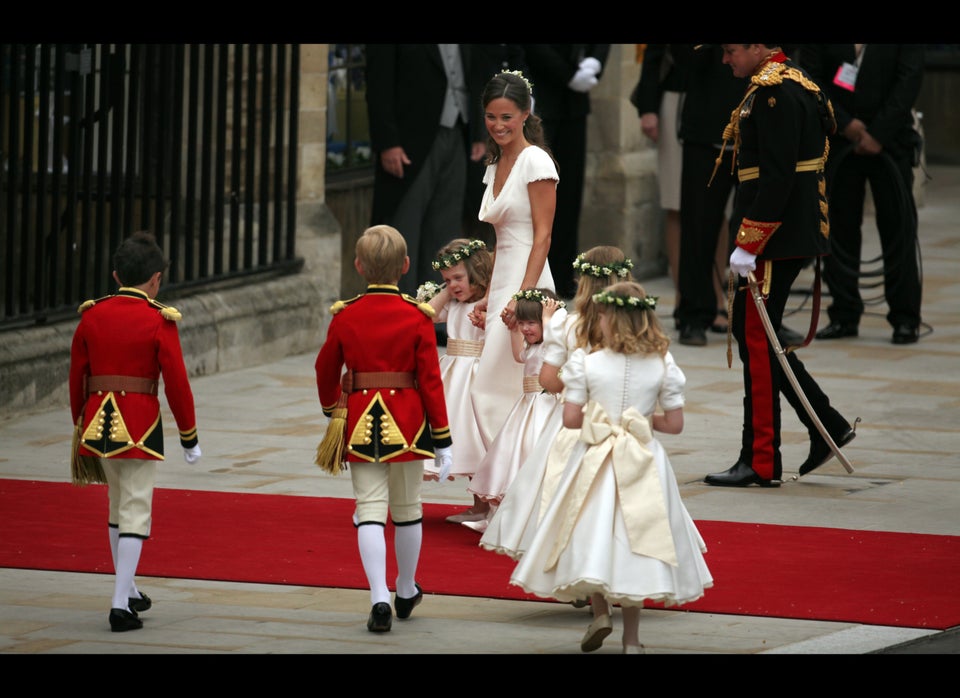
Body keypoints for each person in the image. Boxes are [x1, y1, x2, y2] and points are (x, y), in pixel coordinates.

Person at [509, 280, 713, 654]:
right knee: (637, 540)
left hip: (596, 455)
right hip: (643, 458)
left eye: (600, 315)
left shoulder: (588, 361)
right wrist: (642, 421)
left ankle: (599, 612)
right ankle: (632, 640)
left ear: (610, 318)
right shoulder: (662, 361)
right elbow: (675, 424)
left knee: (590, 531)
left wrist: (603, 420)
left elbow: (571, 420)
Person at [703, 44, 857, 488]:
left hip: (776, 235)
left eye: (731, 50)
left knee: (754, 336)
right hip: (783, 232)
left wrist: (751, 241)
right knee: (756, 336)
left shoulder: (776, 92)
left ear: (757, 46)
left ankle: (761, 458)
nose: (725, 58)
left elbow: (777, 175)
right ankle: (825, 424)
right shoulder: (784, 83)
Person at [314, 224, 453, 633]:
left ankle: (378, 597)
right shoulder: (417, 316)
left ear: (358, 266)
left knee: (369, 510)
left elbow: (325, 368)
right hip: (407, 425)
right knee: (408, 511)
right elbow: (430, 380)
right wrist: (442, 439)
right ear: (405, 266)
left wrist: (331, 411)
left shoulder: (346, 314)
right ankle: (405, 588)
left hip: (358, 421)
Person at [68, 231, 201, 633]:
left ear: (115, 274)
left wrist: (81, 423)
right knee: (136, 512)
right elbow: (177, 384)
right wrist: (189, 436)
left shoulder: (92, 315)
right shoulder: (159, 320)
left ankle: (128, 590)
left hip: (98, 425)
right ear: (156, 279)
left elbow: (77, 377)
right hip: (139, 427)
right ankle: (119, 604)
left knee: (117, 506)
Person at [480, 246, 634, 563]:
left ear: (584, 283)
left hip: (576, 421)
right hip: (624, 422)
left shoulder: (569, 326)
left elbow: (549, 382)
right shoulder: (638, 327)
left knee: (566, 492)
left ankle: (573, 560)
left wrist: (574, 375)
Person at [801, 44, 925, 345]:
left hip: (891, 141)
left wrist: (878, 133)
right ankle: (844, 313)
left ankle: (905, 317)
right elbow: (812, 78)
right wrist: (846, 124)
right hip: (841, 140)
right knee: (839, 229)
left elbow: (909, 79)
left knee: (898, 228)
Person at [470, 70, 558, 449]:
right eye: (491, 116)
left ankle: (513, 491)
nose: (498, 125)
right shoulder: (495, 163)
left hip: (528, 281)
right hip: (503, 279)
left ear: (525, 114)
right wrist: (490, 295)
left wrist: (523, 301)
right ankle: (497, 493)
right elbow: (500, 239)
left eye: (507, 117)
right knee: (496, 389)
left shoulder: (536, 161)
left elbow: (543, 236)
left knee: (494, 386)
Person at [365, 44, 486, 298]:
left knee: (445, 228)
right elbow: (378, 83)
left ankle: (435, 310)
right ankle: (399, 309)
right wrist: (387, 142)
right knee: (404, 228)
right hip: (410, 140)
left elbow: (473, 73)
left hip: (457, 131)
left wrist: (478, 132)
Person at [632, 44, 732, 335]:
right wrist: (648, 108)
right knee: (680, 202)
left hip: (726, 101)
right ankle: (684, 293)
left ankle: (715, 294)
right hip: (681, 99)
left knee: (721, 209)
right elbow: (655, 55)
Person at [463, 288, 563, 533]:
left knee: (534, 457)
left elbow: (556, 344)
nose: (526, 328)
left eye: (533, 323)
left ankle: (532, 520)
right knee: (512, 458)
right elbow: (518, 355)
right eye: (523, 323)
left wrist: (552, 321)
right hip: (526, 407)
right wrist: (512, 328)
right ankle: (501, 519)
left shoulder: (553, 345)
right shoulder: (531, 347)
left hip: (546, 408)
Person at [672, 44, 748, 347]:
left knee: (758, 227)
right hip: (705, 134)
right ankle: (693, 314)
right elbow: (686, 59)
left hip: (753, 131)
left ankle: (757, 316)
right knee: (698, 227)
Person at [522, 44, 610, 299]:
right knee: (538, 193)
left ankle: (563, 274)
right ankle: (537, 275)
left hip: (574, 104)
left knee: (569, 194)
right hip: (542, 100)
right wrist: (568, 75)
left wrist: (595, 61)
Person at [418, 238, 494, 523]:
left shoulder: (489, 304)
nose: (453, 285)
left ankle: (487, 504)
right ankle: (477, 505)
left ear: (477, 271)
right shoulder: (453, 303)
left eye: (458, 278)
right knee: (460, 437)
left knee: (477, 437)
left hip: (476, 374)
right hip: (453, 375)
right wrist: (446, 292)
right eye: (447, 280)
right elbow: (426, 315)